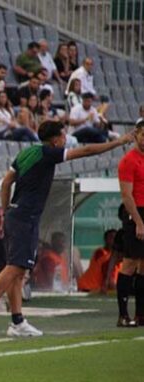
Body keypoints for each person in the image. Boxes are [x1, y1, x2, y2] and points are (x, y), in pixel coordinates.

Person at [0, 120, 132, 337]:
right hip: (24, 218)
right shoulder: (49, 153)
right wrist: (119, 142)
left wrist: (6, 208)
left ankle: (17, 322)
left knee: (19, 271)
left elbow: (6, 182)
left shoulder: (26, 153)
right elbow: (86, 151)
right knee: (15, 268)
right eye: (64, 135)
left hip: (17, 216)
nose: (65, 139)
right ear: (55, 139)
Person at [117, 121, 144, 326]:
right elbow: (126, 196)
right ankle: (123, 314)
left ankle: (141, 314)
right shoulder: (128, 161)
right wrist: (138, 222)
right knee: (130, 263)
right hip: (135, 213)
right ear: (136, 136)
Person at [78, 229, 121, 293]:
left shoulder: (117, 258)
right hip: (88, 287)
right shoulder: (102, 253)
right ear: (105, 240)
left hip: (96, 289)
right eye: (111, 238)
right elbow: (109, 281)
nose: (114, 241)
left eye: (116, 238)